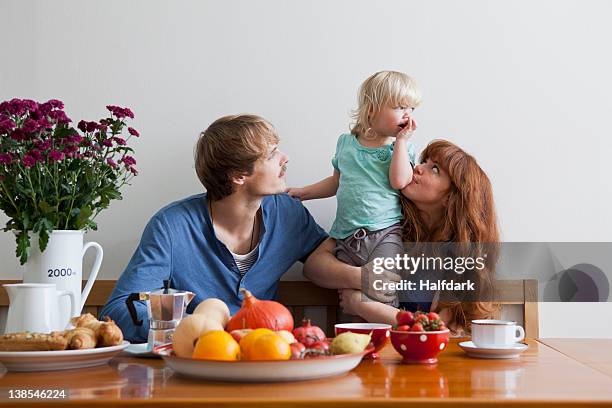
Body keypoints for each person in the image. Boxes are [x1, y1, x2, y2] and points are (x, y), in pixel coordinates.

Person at [101, 114, 358, 342]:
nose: (285, 158)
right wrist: (194, 329)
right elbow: (118, 309)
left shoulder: (287, 213)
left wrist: (366, 278)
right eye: (272, 154)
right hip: (199, 361)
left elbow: (318, 259)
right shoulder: (171, 227)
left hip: (264, 357)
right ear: (238, 176)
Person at [308, 140, 500, 335]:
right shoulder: (384, 218)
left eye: (434, 169)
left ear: (452, 198)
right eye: (423, 161)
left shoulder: (460, 257)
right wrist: (360, 278)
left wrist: (362, 305)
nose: (417, 167)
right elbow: (314, 265)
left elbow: (439, 329)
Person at [288, 71, 420, 309]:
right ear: (372, 109)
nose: (407, 114)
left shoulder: (401, 149)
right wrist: (304, 192)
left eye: (411, 109)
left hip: (386, 232)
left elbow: (399, 182)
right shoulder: (346, 143)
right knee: (349, 298)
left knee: (382, 290)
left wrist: (400, 142)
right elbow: (336, 182)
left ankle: (390, 338)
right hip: (347, 234)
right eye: (400, 107)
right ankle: (351, 342)